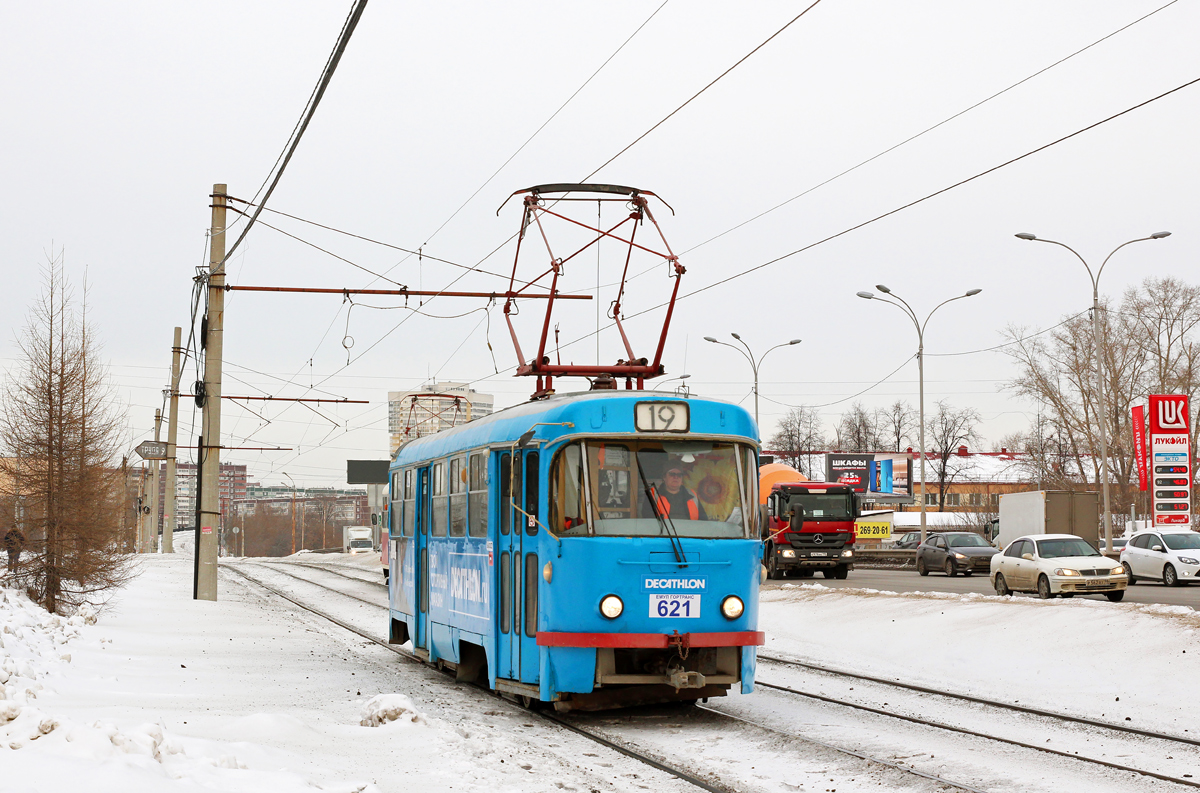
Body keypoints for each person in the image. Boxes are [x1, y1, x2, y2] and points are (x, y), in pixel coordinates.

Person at [642, 466, 708, 521]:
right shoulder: (653, 494)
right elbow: (647, 519)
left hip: (689, 534)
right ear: (664, 477)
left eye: (679, 475)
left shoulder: (692, 495)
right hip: (663, 535)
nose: (676, 477)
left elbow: (703, 519)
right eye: (672, 474)